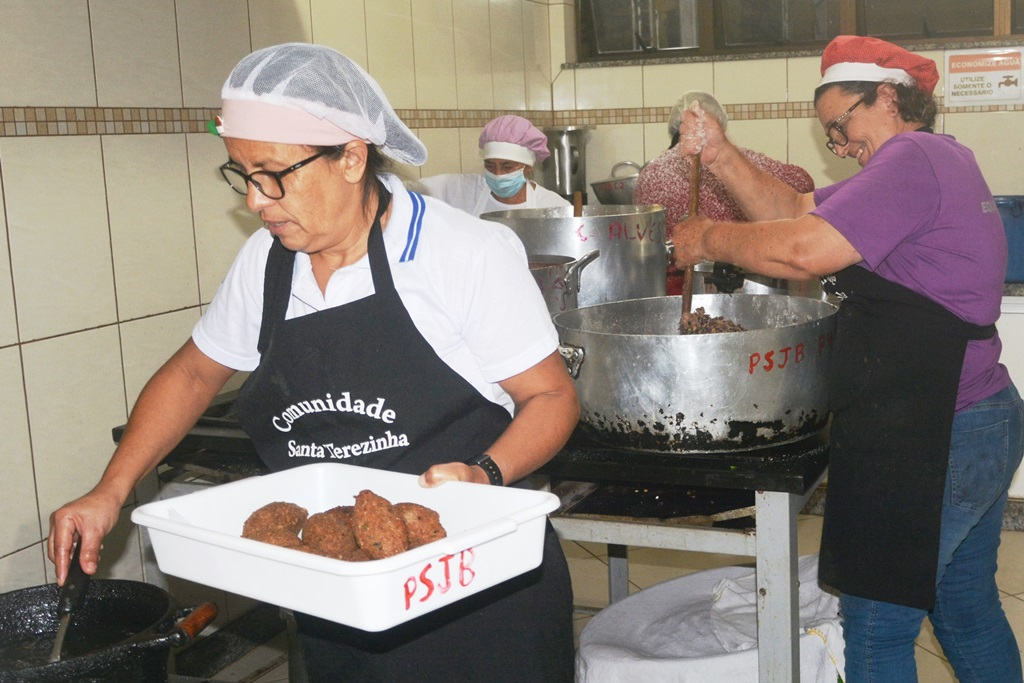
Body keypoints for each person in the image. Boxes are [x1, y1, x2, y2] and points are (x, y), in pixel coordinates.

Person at [47, 43, 578, 683]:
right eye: (242, 173)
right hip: (336, 600)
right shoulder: (267, 262)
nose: (255, 200)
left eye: (273, 173)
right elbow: (193, 374)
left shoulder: (462, 253)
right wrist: (110, 490)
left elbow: (552, 398)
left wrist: (484, 474)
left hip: (477, 596)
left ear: (352, 157)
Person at [671, 36, 1023, 682]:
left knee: (875, 623)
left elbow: (804, 251)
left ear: (887, 96)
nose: (839, 145)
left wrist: (709, 238)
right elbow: (794, 212)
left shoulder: (913, 157)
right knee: (965, 607)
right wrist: (720, 155)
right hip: (976, 413)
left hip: (936, 426)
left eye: (841, 125)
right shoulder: (931, 162)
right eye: (829, 135)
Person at [634, 90, 814, 295]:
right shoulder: (745, 166)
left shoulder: (650, 177)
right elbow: (802, 183)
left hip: (674, 294)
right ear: (719, 128)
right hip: (749, 289)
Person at [417, 114, 570, 216]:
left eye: (507, 167)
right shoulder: (465, 191)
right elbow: (413, 189)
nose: (498, 174)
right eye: (490, 166)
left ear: (528, 167)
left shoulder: (553, 206)